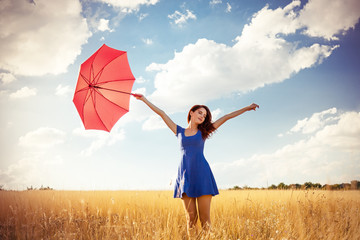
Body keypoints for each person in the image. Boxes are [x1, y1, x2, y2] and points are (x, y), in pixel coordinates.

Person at [134, 94, 259, 237]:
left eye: (205, 115)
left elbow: (226, 117)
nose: (202, 116)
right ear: (191, 113)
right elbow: (162, 114)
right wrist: (144, 99)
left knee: (205, 220)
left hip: (202, 176)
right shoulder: (178, 131)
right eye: (200, 112)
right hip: (184, 178)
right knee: (191, 219)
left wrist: (247, 108)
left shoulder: (203, 132)